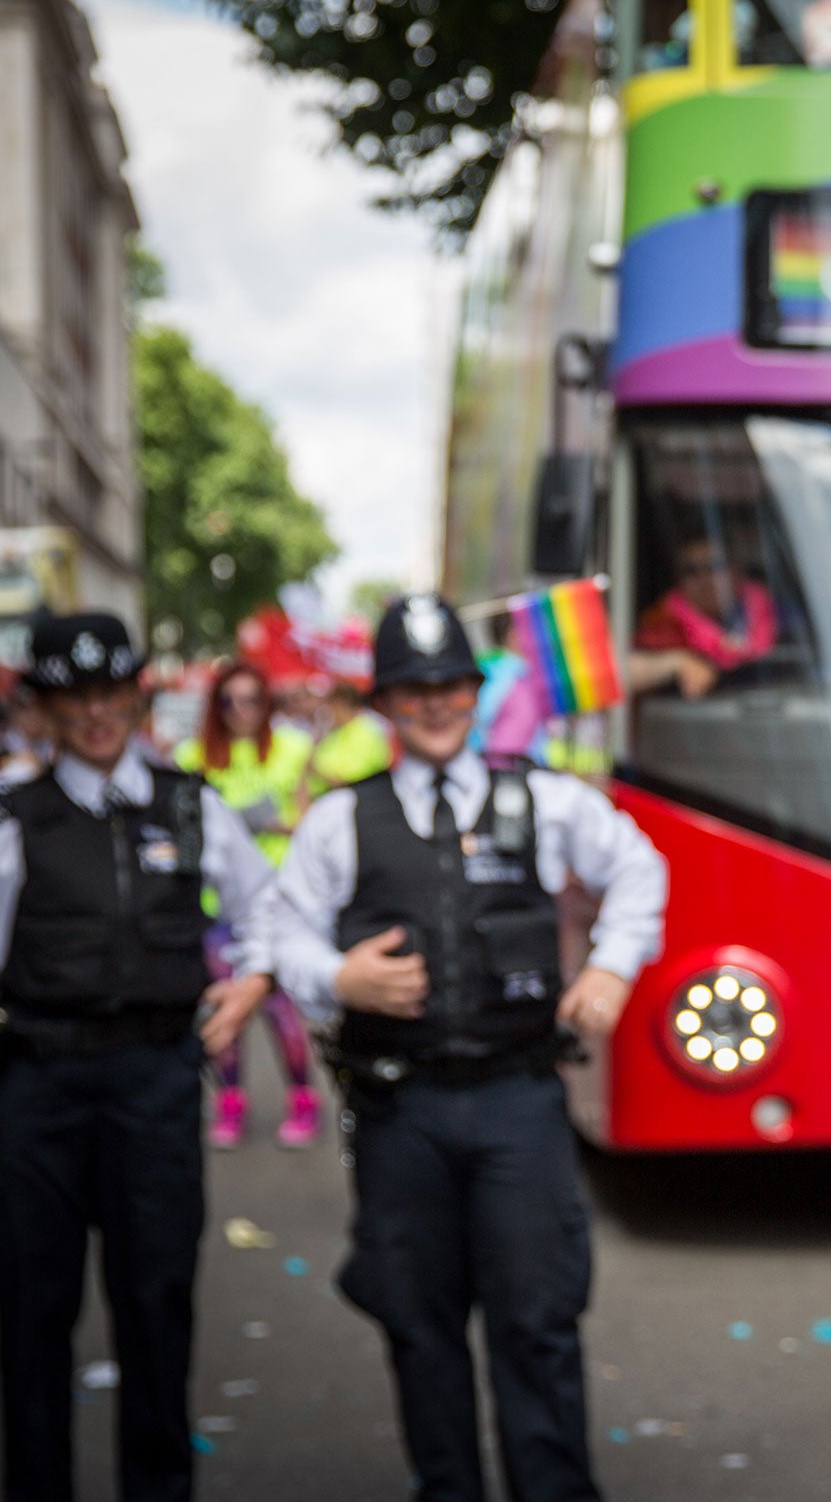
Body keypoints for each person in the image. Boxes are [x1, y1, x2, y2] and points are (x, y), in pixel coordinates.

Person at [272, 592, 666, 1502]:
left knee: (537, 1321)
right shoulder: (342, 819)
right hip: (398, 1108)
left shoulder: (543, 796)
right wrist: (340, 979)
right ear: (385, 704)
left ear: (473, 692)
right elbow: (281, 934)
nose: (436, 704)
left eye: (451, 684)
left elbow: (640, 867)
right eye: (414, 690)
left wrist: (610, 967)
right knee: (420, 1324)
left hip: (518, 1101)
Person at [0, 612, 276, 1502]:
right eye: (73, 697)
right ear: (42, 709)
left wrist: (254, 981)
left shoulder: (189, 804)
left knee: (157, 1303)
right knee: (32, 1312)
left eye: (111, 692)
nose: (95, 714)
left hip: (155, 1081)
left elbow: (267, 907)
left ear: (136, 693)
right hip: (37, 1084)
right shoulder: (16, 820)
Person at [174, 661, 321, 1147]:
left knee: (279, 1008)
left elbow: (311, 819)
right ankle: (230, 1100)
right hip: (219, 908)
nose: (241, 711)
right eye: (229, 701)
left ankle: (302, 1097)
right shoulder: (193, 756)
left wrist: (270, 825)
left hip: (277, 902)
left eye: (251, 700)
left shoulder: (293, 749)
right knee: (224, 1006)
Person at [629, 534, 777, 698]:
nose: (704, 579)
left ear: (738, 572)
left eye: (714, 567)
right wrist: (676, 662)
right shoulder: (660, 625)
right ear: (678, 580)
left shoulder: (778, 615)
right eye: (691, 571)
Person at [309, 675, 393, 791]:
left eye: (330, 704)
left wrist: (316, 772)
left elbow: (347, 780)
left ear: (340, 703)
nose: (328, 710)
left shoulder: (366, 730)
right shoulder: (335, 733)